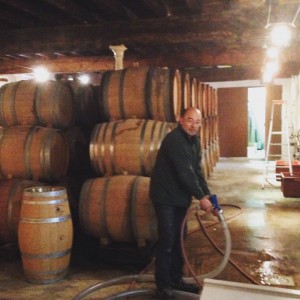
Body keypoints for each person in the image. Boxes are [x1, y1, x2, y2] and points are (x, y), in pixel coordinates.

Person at [149, 107, 213, 299]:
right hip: (165, 198)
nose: (194, 126)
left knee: (179, 240)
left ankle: (176, 280)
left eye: (198, 122)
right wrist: (200, 197)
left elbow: (197, 171)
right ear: (181, 120)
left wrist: (209, 195)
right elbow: (185, 173)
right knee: (167, 240)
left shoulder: (194, 141)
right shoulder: (174, 140)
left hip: (180, 198)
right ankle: (163, 285)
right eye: (190, 120)